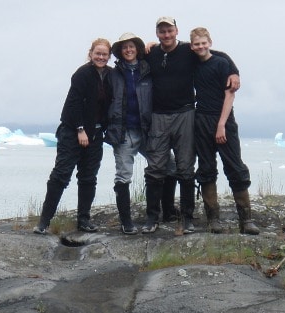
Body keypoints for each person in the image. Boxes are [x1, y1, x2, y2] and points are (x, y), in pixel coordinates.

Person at [143, 16, 240, 234]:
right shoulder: (150, 53)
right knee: (155, 167)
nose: (166, 35)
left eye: (169, 30)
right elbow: (128, 55)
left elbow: (216, 55)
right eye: (162, 31)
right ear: (157, 33)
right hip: (158, 115)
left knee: (186, 166)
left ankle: (186, 218)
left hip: (185, 113)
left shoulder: (189, 51)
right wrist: (147, 45)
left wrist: (234, 71)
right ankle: (152, 217)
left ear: (176, 31)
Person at [33, 38, 113, 235]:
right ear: (91, 54)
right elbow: (73, 103)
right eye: (98, 53)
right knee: (61, 175)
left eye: (104, 54)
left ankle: (83, 220)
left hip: (95, 134)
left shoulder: (111, 75)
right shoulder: (82, 74)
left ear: (109, 56)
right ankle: (44, 221)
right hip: (73, 132)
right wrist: (80, 129)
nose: (101, 57)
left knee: (88, 178)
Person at [106, 32, 178, 235]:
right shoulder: (114, 74)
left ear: (137, 48)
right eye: (124, 47)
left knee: (170, 165)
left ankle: (168, 211)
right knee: (124, 176)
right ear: (120, 52)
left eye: (132, 46)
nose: (128, 50)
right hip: (124, 132)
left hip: (147, 130)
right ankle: (126, 221)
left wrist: (153, 45)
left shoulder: (147, 68)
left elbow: (163, 51)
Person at [190, 27, 259, 235]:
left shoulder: (221, 63)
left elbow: (230, 95)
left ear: (210, 42)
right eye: (196, 44)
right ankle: (213, 219)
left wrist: (221, 124)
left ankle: (246, 220)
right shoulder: (191, 63)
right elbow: (173, 49)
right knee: (206, 167)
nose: (200, 47)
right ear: (192, 45)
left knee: (234, 166)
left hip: (224, 120)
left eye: (203, 43)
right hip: (200, 119)